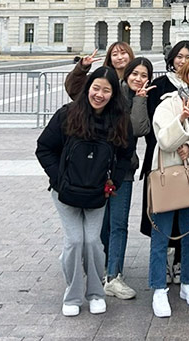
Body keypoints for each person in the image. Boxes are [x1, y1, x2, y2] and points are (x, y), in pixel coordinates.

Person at [36, 66, 135, 317]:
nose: (99, 94)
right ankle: (73, 295)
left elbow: (126, 155)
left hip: (97, 193)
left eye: (106, 90)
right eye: (95, 88)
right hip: (65, 192)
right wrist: (59, 177)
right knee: (74, 241)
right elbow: (44, 148)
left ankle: (95, 293)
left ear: (114, 94)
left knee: (92, 242)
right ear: (88, 88)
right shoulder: (67, 115)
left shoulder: (119, 121)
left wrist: (114, 183)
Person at [148, 56, 189, 317]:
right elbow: (164, 140)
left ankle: (187, 282)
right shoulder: (169, 102)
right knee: (161, 234)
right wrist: (182, 119)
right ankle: (158, 289)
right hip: (168, 173)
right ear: (185, 74)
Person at [139, 40, 189, 284]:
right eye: (179, 56)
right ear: (171, 59)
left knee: (187, 218)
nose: (183, 61)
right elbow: (151, 128)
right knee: (161, 217)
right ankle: (162, 266)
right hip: (161, 158)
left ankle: (182, 264)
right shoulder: (158, 86)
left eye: (188, 57)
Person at [103, 57, 154, 301]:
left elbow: (138, 128)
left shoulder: (139, 97)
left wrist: (141, 98)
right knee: (101, 224)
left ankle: (113, 275)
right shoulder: (113, 93)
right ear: (127, 74)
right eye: (135, 73)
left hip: (123, 170)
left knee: (119, 224)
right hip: (100, 168)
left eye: (144, 75)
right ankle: (101, 269)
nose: (138, 78)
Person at [65, 42, 135, 99]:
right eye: (115, 54)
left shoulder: (138, 78)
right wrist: (81, 68)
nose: (119, 57)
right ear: (110, 59)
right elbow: (74, 90)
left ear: (130, 55)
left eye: (123, 53)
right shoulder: (101, 77)